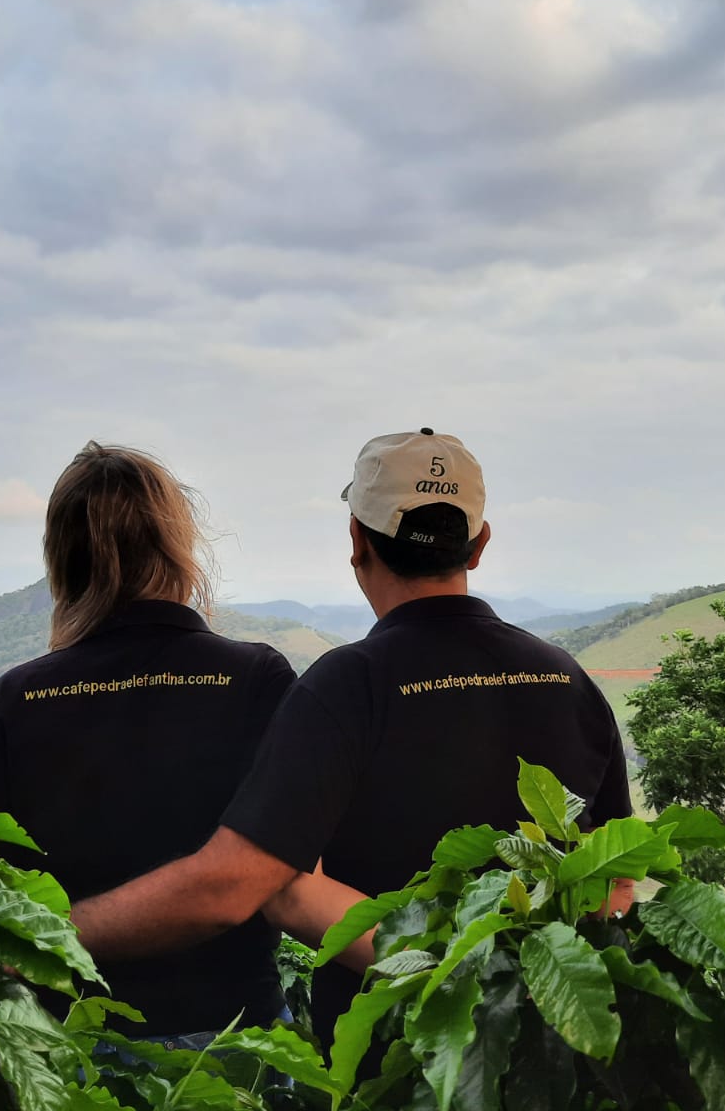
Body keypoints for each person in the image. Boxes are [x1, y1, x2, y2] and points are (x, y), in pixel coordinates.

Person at [71, 428, 635, 1040]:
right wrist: (526, 978)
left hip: (389, 1059)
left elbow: (285, 893)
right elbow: (614, 877)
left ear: (357, 540)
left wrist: (449, 969)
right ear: (478, 546)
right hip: (553, 1046)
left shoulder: (346, 687)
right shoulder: (567, 677)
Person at [0, 441, 300, 1038]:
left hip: (65, 1050)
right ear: (177, 548)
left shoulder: (17, 700)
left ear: (62, 558)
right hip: (234, 1042)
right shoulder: (257, 680)